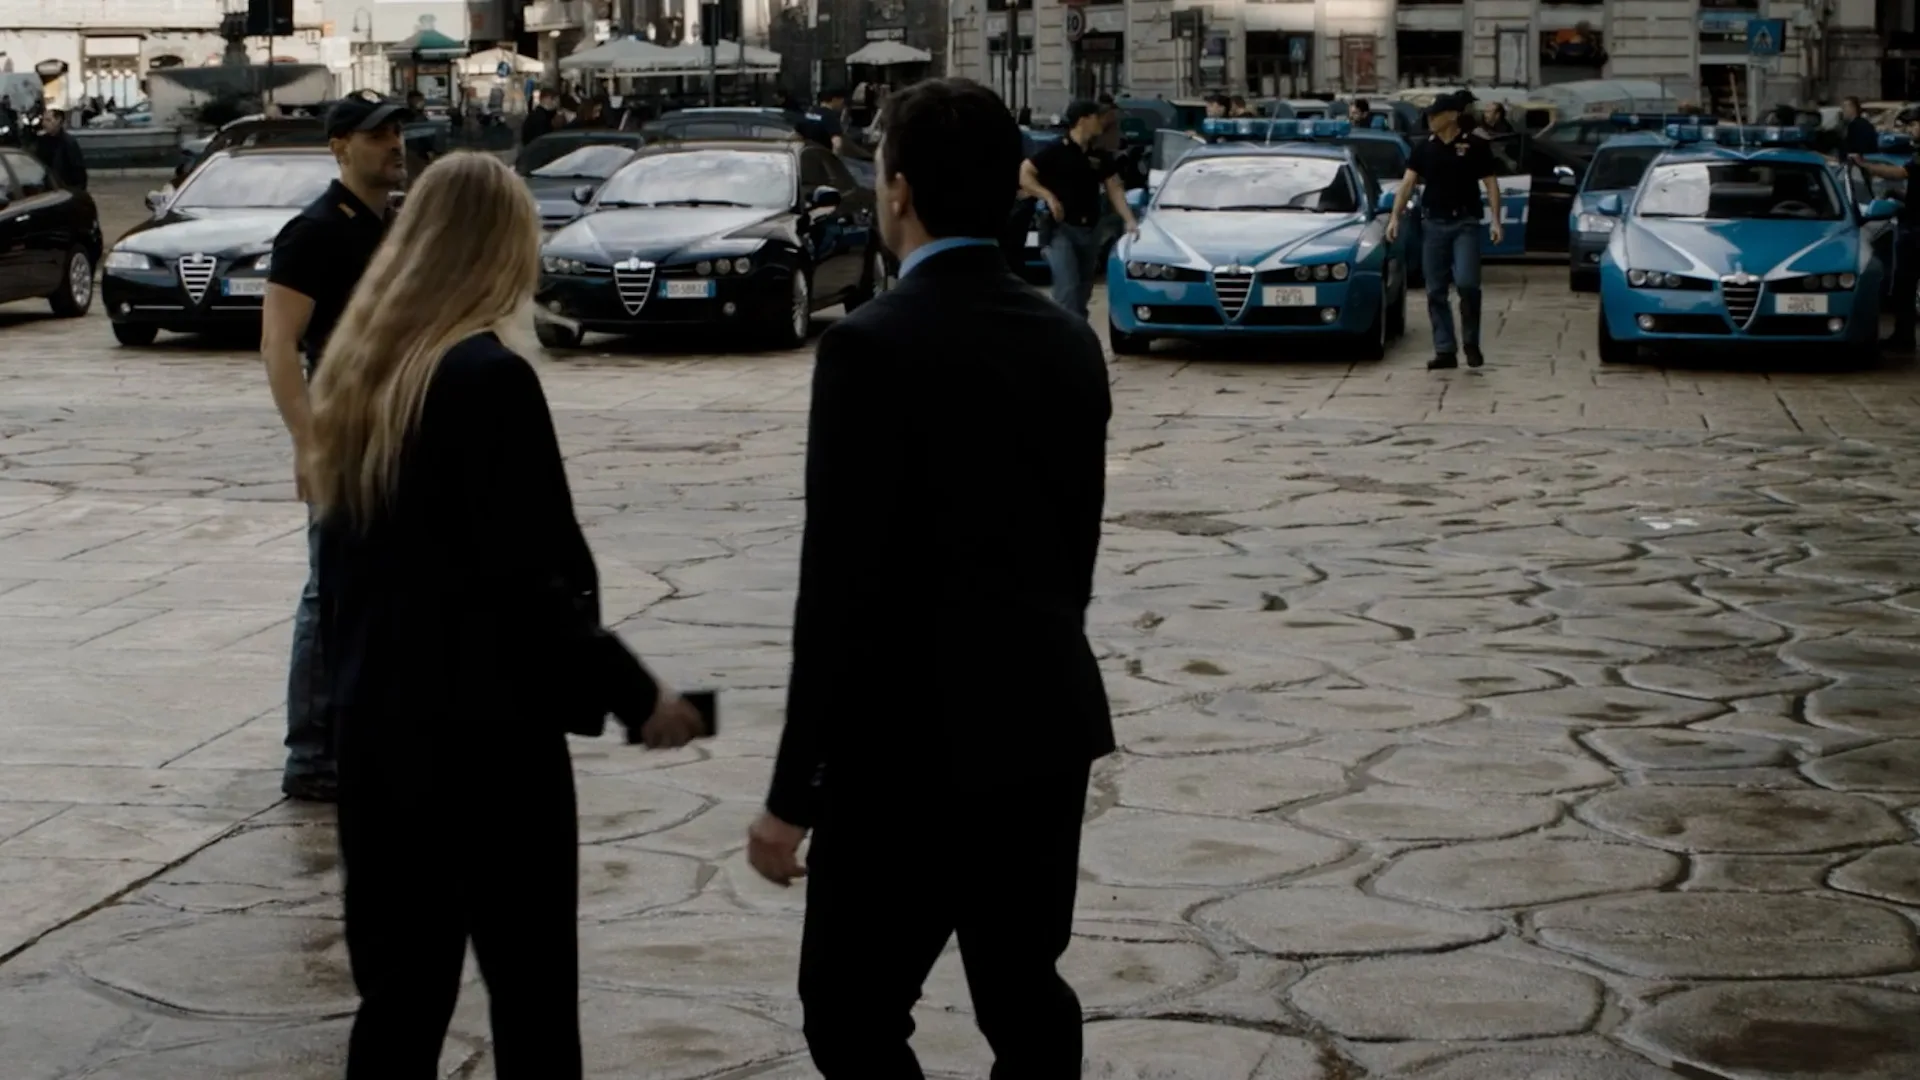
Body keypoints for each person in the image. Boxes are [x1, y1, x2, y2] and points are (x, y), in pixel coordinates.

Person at [745, 76, 1114, 1078]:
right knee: (1025, 998)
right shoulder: (1068, 341)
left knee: (849, 1012)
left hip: (903, 751)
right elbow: (1073, 556)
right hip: (1039, 724)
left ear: (898, 190)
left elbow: (838, 592)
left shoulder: (868, 346)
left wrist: (791, 794)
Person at [306, 151, 706, 1076]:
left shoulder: (359, 375)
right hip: (487, 747)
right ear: (500, 250)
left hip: (379, 741)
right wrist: (637, 694)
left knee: (398, 1007)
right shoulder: (485, 379)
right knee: (532, 1006)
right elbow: (526, 580)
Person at [259, 93, 412, 802]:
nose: (394, 144)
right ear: (340, 146)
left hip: (399, 428)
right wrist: (308, 441)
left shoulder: (397, 229)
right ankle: (313, 753)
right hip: (345, 432)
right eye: (378, 135)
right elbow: (278, 344)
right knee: (331, 591)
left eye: (398, 131)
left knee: (392, 586)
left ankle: (377, 732)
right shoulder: (314, 231)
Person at [1388, 91, 1502, 370]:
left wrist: (1496, 220)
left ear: (1451, 116)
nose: (1430, 120)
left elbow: (1491, 184)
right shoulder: (1424, 148)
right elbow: (1407, 185)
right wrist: (1394, 217)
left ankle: (1471, 342)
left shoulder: (1475, 145)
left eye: (1435, 115)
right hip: (1434, 224)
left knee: (1467, 283)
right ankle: (1445, 349)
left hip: (1465, 223)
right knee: (1435, 290)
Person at [1021, 99, 1139, 319]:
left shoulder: (1098, 155)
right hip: (1060, 229)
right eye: (1097, 117)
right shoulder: (1056, 149)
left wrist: (1129, 219)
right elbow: (1025, 173)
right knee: (1067, 289)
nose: (1101, 122)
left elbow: (1114, 187)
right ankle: (1066, 336)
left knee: (1083, 290)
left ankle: (1076, 329)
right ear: (1083, 120)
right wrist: (1047, 196)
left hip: (1090, 230)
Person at [1853, 105, 1920, 353]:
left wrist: (1866, 166)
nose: (1910, 130)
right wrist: (1900, 196)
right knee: (1904, 287)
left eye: (1913, 125)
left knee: (1904, 285)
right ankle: (1904, 337)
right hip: (1912, 224)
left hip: (1915, 230)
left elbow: (1900, 172)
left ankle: (1904, 338)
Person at [32, 108, 86, 190]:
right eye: (43, 120)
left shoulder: (68, 142)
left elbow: (78, 171)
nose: (44, 124)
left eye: (48, 120)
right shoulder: (42, 141)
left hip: (64, 189)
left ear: (58, 121)